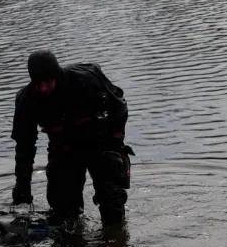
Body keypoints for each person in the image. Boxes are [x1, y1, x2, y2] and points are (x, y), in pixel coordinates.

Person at [10, 50, 135, 226]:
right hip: (64, 149)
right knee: (63, 212)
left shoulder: (86, 80)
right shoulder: (27, 100)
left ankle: (115, 241)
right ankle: (72, 233)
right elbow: (24, 145)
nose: (43, 88)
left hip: (100, 144)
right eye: (38, 83)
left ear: (56, 75)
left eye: (47, 82)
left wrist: (116, 141)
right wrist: (22, 183)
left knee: (111, 201)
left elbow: (119, 106)